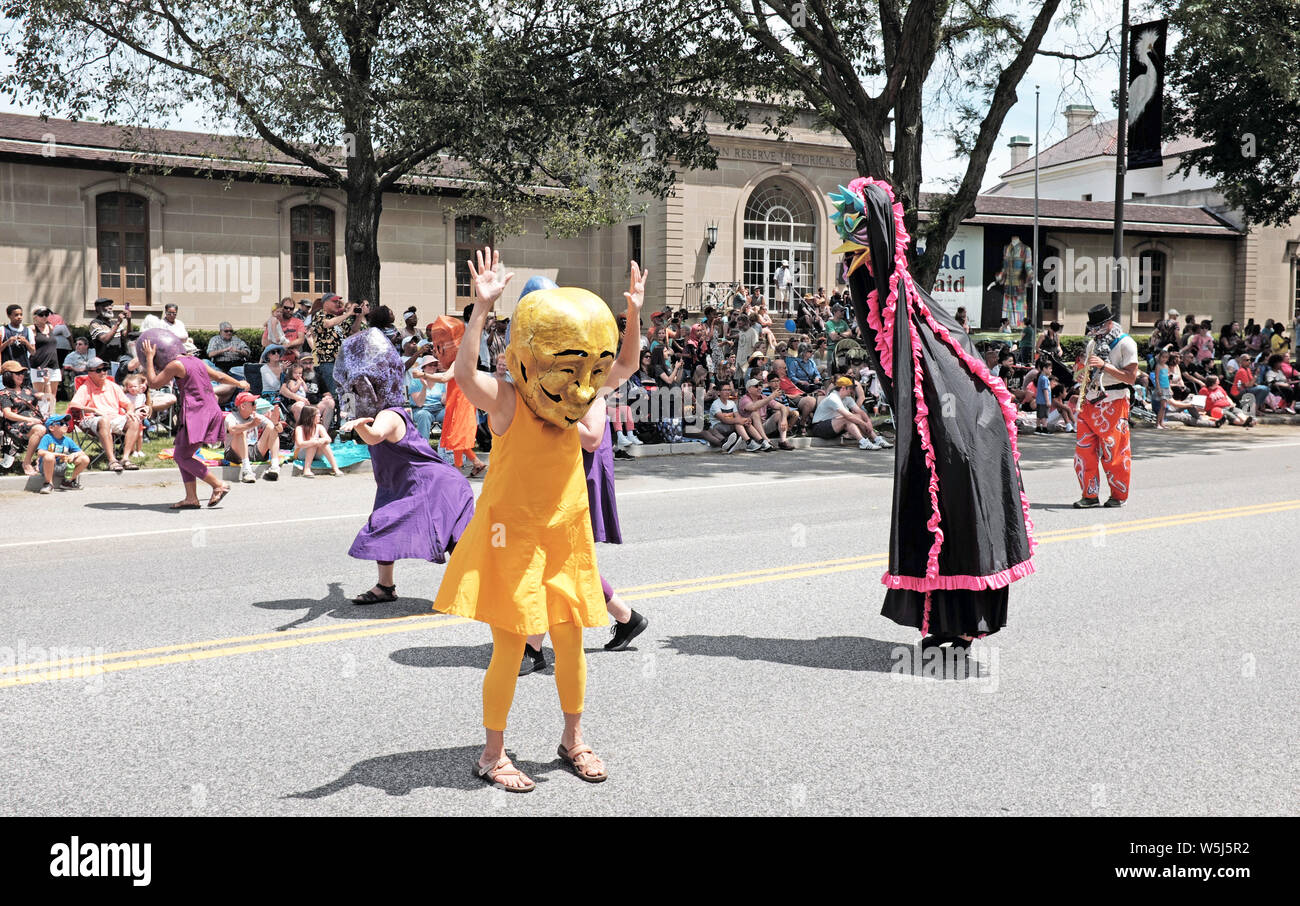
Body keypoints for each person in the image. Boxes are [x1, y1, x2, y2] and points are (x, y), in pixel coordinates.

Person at [433, 247, 614, 793]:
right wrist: (480, 309)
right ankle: (492, 753)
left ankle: (573, 740)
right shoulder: (509, 400)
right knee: (510, 647)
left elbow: (596, 424)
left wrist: (626, 321)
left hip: (566, 535)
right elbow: (463, 374)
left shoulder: (580, 402)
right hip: (513, 538)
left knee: (571, 641)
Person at [831, 177, 1034, 651]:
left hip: (962, 434)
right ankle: (939, 623)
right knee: (930, 520)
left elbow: (950, 365)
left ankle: (966, 624)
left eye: (858, 241)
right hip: (930, 435)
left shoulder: (911, 307)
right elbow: (872, 302)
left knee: (962, 521)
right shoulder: (886, 304)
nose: (851, 258)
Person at [518, 268, 652, 674]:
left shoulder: (586, 369)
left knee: (552, 560)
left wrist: (633, 311)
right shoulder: (533, 370)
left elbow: (593, 435)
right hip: (547, 477)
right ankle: (627, 618)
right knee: (564, 560)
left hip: (580, 475)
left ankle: (533, 648)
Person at [333, 328, 475, 605]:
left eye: (361, 388)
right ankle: (386, 587)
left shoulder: (389, 414)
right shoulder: (381, 413)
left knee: (452, 540)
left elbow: (375, 435)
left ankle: (474, 588)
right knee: (384, 526)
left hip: (433, 485)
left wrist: (359, 423)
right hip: (400, 483)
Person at [139, 336, 244, 508]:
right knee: (183, 454)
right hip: (209, 409)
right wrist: (239, 383)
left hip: (198, 413)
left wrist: (149, 358)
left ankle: (218, 485)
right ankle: (191, 498)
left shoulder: (176, 365)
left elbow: (153, 383)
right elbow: (219, 376)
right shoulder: (196, 361)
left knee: (181, 456)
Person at [1073, 304, 1139, 508]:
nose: (1095, 331)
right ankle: (1090, 495)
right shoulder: (1093, 344)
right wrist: (1082, 374)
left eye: (1098, 326)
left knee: (1114, 451)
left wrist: (1105, 366)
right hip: (1090, 401)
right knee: (1084, 451)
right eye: (1093, 327)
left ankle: (1118, 495)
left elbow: (1131, 377)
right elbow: (1086, 373)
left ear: (1109, 323)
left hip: (1114, 400)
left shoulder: (1126, 343)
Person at [424, 316, 486, 478]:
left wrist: (422, 375)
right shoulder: (459, 359)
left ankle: (458, 470)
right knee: (457, 436)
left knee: (458, 436)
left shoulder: (458, 361)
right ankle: (476, 463)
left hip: (462, 402)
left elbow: (445, 378)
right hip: (457, 401)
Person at [69, 357, 141, 472]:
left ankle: (125, 459)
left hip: (114, 418)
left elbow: (128, 404)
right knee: (104, 420)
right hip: (92, 420)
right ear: (90, 373)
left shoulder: (113, 386)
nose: (103, 372)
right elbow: (73, 405)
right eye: (98, 370)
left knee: (134, 420)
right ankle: (112, 460)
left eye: (105, 369)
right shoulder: (85, 388)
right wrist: (94, 410)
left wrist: (130, 411)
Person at [809, 375, 889, 449]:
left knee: (858, 416)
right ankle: (863, 442)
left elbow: (860, 412)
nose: (852, 391)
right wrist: (865, 424)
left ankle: (877, 439)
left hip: (834, 425)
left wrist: (868, 422)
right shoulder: (833, 398)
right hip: (819, 427)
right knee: (847, 418)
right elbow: (848, 416)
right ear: (843, 388)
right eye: (850, 388)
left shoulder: (847, 398)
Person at [308, 293, 361, 395]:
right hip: (327, 361)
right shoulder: (319, 314)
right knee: (332, 393)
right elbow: (327, 324)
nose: (337, 304)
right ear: (326, 303)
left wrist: (359, 316)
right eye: (334, 301)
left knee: (344, 394)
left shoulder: (339, 318)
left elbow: (353, 330)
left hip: (342, 361)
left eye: (338, 301)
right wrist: (348, 313)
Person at [1, 360, 46, 475]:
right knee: (40, 429)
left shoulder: (28, 389)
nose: (22, 375)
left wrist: (47, 382)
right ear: (8, 375)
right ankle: (26, 463)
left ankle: (41, 461)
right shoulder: (4, 393)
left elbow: (48, 397)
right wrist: (29, 419)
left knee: (57, 424)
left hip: (36, 422)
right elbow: (7, 414)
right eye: (18, 373)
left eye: (23, 373)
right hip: (18, 425)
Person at [224, 392, 281, 483]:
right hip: (234, 452)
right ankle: (246, 471)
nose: (256, 405)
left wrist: (275, 422)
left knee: (272, 428)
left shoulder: (255, 416)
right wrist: (251, 424)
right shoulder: (231, 417)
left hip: (253, 449)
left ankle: (274, 466)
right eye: (253, 403)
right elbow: (232, 430)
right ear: (243, 406)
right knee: (240, 431)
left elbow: (279, 430)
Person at [34, 414, 89, 493]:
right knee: (49, 456)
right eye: (61, 423)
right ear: (51, 428)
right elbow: (40, 452)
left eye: (66, 423)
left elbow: (81, 452)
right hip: (48, 466)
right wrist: (58, 455)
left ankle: (67, 482)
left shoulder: (68, 440)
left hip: (63, 466)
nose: (65, 425)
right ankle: (48, 483)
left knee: (84, 459)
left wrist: (73, 455)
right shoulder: (47, 438)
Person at [738, 377, 793, 451]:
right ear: (749, 389)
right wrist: (771, 397)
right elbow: (753, 407)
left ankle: (783, 441)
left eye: (760, 386)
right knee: (754, 413)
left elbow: (782, 407)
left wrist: (784, 419)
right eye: (756, 386)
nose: (759, 388)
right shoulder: (744, 399)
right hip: (750, 428)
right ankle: (766, 440)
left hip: (763, 425)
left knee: (780, 413)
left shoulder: (763, 397)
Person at [27, 307, 60, 417]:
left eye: (46, 314)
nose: (45, 317)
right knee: (39, 394)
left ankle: (51, 417)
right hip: (39, 365)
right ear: (35, 316)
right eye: (41, 315)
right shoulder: (32, 328)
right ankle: (40, 416)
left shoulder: (50, 327)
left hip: (54, 365)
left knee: (52, 394)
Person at [88, 298, 131, 366]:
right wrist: (118, 323)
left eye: (111, 305)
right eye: (106, 305)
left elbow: (127, 337)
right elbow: (105, 339)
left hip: (119, 361)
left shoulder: (114, 322)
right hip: (105, 363)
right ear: (98, 309)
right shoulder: (95, 324)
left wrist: (129, 321)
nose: (110, 307)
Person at [2, 304, 35, 371]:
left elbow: (33, 352)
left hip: (24, 368)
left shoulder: (28, 331)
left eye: (21, 314)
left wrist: (26, 342)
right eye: (16, 315)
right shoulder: (3, 330)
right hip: (8, 369)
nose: (19, 317)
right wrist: (7, 342)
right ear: (9, 316)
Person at [1152, 347, 1172, 429]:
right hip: (1161, 388)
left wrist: (1169, 388)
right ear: (1159, 357)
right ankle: (1157, 423)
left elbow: (1167, 378)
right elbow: (1156, 378)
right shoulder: (1158, 366)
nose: (1164, 359)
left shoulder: (1166, 366)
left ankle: (1162, 422)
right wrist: (1158, 388)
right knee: (1162, 406)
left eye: (1166, 357)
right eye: (1163, 357)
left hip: (1166, 387)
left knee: (1164, 407)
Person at [1034, 357, 1052, 434]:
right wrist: (1048, 400)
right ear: (1044, 368)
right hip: (1044, 401)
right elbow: (1045, 390)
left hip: (1039, 400)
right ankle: (1044, 428)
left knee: (1039, 415)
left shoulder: (1041, 377)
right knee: (1044, 415)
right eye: (1050, 368)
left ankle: (1038, 428)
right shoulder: (1044, 379)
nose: (1051, 370)